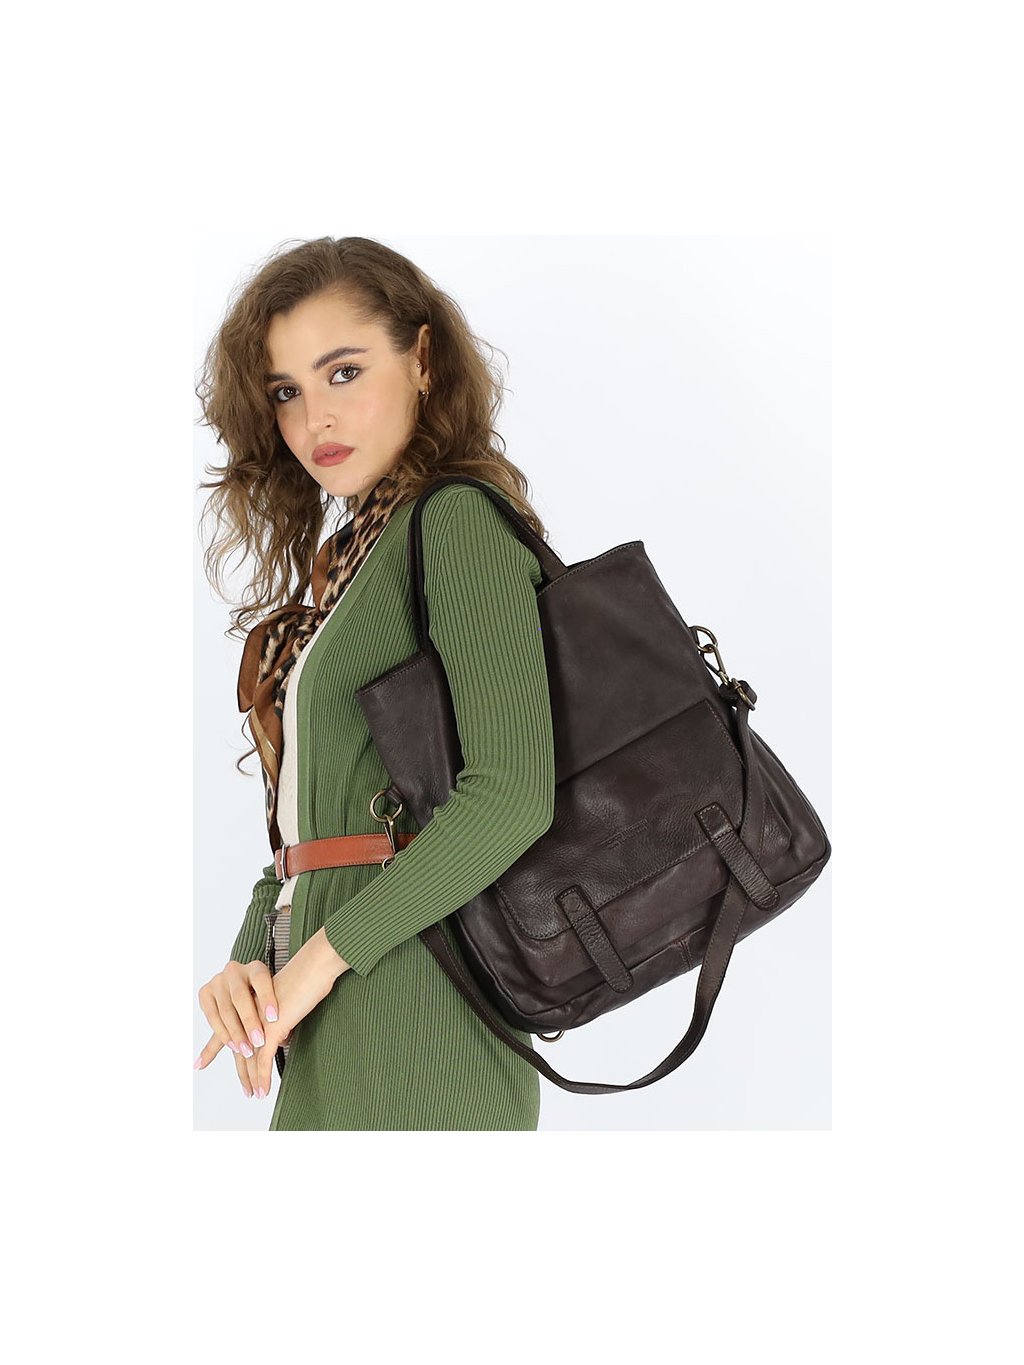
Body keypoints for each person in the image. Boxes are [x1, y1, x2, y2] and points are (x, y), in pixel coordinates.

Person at [194, 236, 555, 1130]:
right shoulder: (353, 564)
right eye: (286, 391)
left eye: (344, 372)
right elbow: (315, 830)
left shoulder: (456, 522)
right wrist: (252, 962)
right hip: (335, 1002)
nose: (315, 417)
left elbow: (510, 795)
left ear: (422, 360)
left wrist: (316, 963)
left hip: (420, 1014)